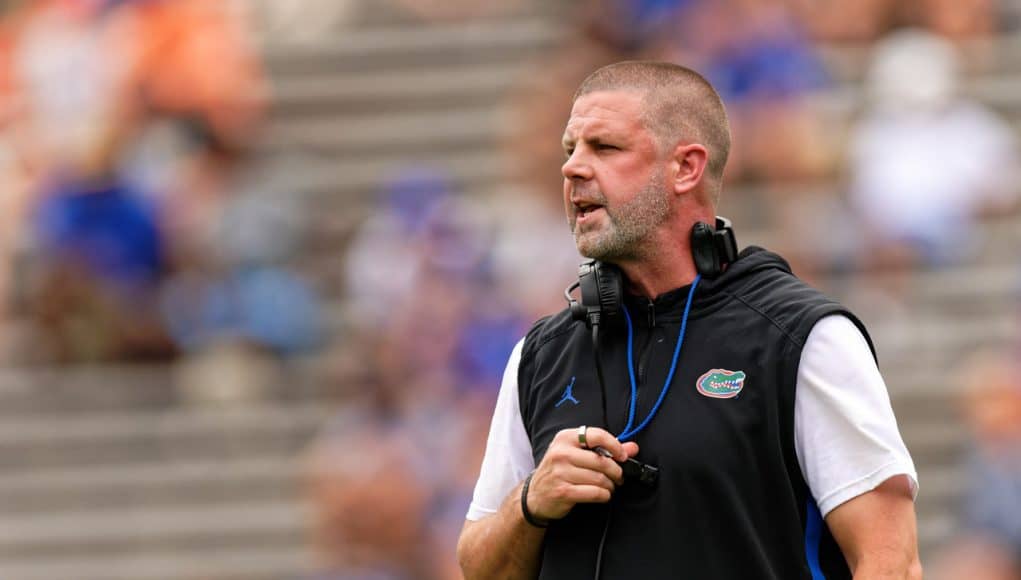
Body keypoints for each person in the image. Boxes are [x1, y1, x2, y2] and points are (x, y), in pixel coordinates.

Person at [456, 61, 920, 579]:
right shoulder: (540, 356)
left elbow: (890, 562)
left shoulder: (803, 338)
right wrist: (530, 503)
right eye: (570, 149)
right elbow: (481, 569)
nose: (572, 168)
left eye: (604, 147)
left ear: (685, 168)